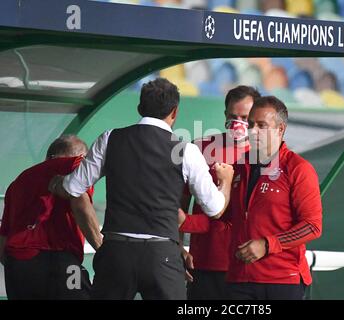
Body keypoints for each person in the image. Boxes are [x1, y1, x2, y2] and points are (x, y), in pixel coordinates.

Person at [50, 78, 234, 300]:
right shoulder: (186, 150)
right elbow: (215, 209)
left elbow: (72, 187)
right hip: (162, 255)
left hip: (116, 253)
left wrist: (56, 181)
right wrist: (226, 181)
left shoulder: (110, 138)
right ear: (174, 112)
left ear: (139, 108)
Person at [226, 96, 323, 300]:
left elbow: (312, 226)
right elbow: (227, 217)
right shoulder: (239, 166)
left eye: (262, 126)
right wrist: (185, 222)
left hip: (282, 281)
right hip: (240, 279)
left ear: (280, 129)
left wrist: (267, 244)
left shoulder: (298, 168)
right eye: (251, 124)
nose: (252, 131)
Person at [179, 85, 261, 300]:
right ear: (225, 114)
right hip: (203, 261)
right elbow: (180, 203)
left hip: (247, 264)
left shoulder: (265, 155)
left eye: (245, 117)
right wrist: (177, 247)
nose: (238, 123)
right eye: (233, 116)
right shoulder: (199, 148)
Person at [0, 135, 102, 300]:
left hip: (18, 265)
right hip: (61, 262)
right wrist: (102, 249)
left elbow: (3, 237)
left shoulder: (17, 183)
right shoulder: (76, 165)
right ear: (80, 156)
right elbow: (81, 204)